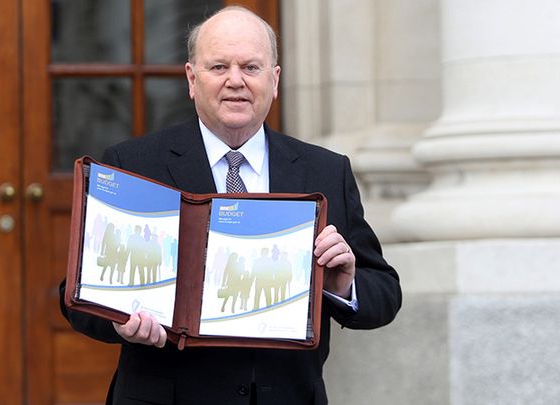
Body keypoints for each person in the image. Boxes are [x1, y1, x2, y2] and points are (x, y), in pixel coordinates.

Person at [60, 6, 401, 405]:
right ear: (192, 79)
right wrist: (119, 322)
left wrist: (344, 285)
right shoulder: (133, 165)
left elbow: (385, 294)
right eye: (219, 66)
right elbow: (76, 295)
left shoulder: (326, 171)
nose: (235, 81)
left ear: (274, 81)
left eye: (251, 67)